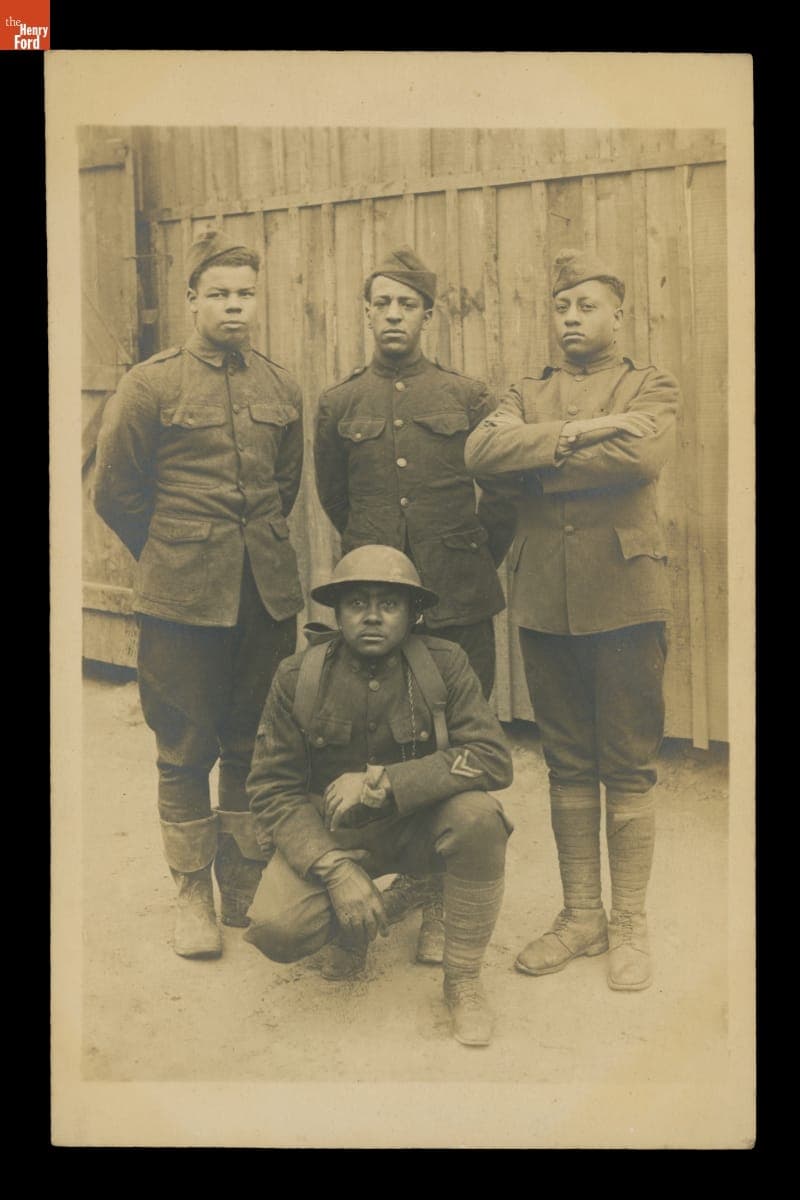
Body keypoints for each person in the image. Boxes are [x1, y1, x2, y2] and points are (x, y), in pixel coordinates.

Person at [464, 249, 680, 992]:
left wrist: (537, 457)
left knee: (625, 758)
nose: (571, 320)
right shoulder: (528, 390)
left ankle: (629, 925)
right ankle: (581, 915)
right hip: (546, 601)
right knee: (566, 760)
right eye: (561, 308)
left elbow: (641, 458)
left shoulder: (651, 384)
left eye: (586, 306)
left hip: (624, 595)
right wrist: (578, 433)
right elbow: (481, 451)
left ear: (618, 315)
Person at [93, 229, 305, 960]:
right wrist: (171, 554)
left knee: (255, 740)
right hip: (181, 601)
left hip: (264, 597)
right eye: (219, 294)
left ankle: (241, 877)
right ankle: (192, 892)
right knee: (185, 744)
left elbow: (285, 488)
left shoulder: (280, 385)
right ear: (191, 301)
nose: (234, 306)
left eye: (245, 293)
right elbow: (116, 492)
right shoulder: (150, 384)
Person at [314, 245, 517, 963]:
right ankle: (378, 880)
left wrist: (468, 557)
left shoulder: (468, 397)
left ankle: (439, 901)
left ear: (428, 315)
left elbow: (504, 492)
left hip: (457, 598)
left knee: (455, 750)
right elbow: (334, 498)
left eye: (408, 304)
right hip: (380, 603)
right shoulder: (341, 402)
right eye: (382, 303)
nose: (393, 316)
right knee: (383, 741)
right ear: (367, 312)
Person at [243, 546, 514, 1046]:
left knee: (479, 818)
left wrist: (391, 781)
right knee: (277, 927)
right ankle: (353, 929)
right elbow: (271, 786)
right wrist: (334, 868)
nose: (371, 616)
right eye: (357, 603)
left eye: (388, 604)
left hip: (416, 825)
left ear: (413, 614)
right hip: (335, 835)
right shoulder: (298, 675)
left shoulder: (444, 664)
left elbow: (492, 757)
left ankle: (464, 981)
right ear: (337, 611)